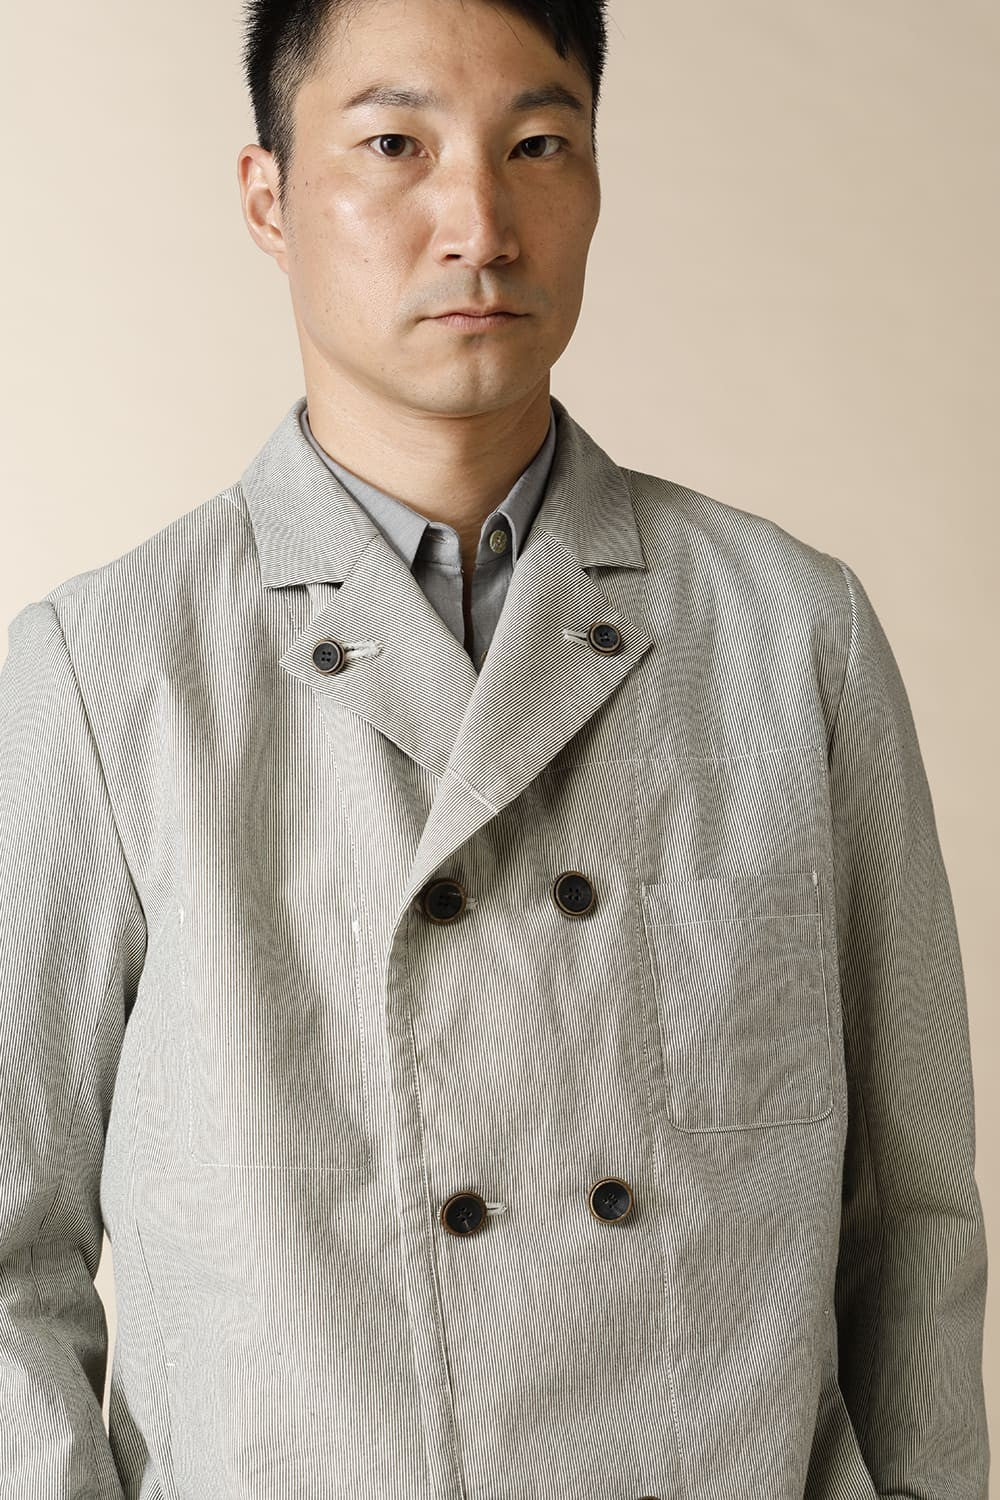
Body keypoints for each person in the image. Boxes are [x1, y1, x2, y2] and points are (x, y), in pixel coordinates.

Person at [0, 0, 988, 1495]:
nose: (479, 224)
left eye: (537, 145)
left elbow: (912, 1222)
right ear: (268, 198)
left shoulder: (794, 633)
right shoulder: (111, 669)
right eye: (395, 145)